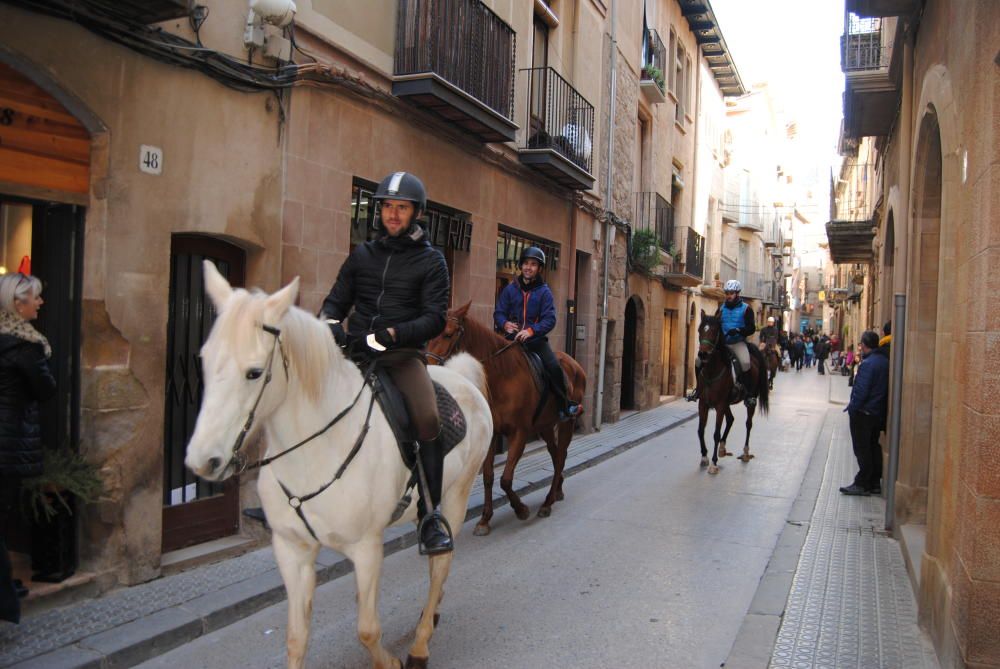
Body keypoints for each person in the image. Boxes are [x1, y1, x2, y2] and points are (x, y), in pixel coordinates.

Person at [320, 171, 454, 555]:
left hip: (400, 356)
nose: (393, 215)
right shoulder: (361, 255)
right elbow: (335, 301)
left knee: (428, 418)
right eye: (388, 207)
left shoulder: (433, 262)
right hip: (354, 351)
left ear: (416, 213)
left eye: (402, 208)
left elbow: (434, 319)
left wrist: (393, 335)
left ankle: (429, 516)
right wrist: (329, 323)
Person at [0, 273, 56, 624]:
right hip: (9, 446)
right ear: (17, 304)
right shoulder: (25, 348)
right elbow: (46, 389)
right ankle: (5, 596)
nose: (40, 302)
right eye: (35, 297)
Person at [494, 247, 581, 420]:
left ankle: (564, 406)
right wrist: (504, 324)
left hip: (536, 342)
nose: (528, 267)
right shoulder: (510, 289)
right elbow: (499, 312)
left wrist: (531, 331)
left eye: (533, 264)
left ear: (539, 268)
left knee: (555, 367)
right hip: (511, 340)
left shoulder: (544, 292)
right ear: (521, 265)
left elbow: (550, 319)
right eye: (526, 263)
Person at [686, 279, 756, 405]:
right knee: (698, 361)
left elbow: (751, 328)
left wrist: (739, 330)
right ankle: (698, 390)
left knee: (745, 362)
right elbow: (715, 324)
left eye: (731, 293)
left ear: (737, 294)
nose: (728, 295)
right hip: (722, 343)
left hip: (737, 343)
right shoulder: (721, 308)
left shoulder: (746, 309)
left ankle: (748, 394)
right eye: (727, 293)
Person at [840, 330, 889, 496]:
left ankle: (862, 483)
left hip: (864, 412)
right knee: (873, 446)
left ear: (864, 345)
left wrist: (853, 409)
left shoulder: (868, 364)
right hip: (877, 412)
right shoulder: (884, 360)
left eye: (861, 344)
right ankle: (875, 482)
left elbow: (861, 390)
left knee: (862, 449)